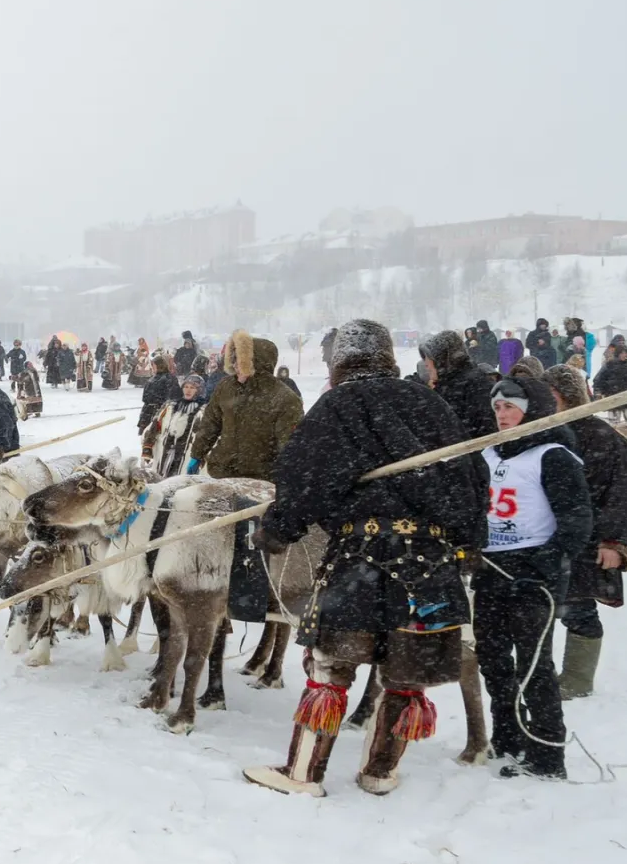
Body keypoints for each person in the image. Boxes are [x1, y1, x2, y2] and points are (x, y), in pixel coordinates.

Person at [244, 319, 489, 798]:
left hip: (363, 559)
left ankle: (303, 775)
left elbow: (306, 475)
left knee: (331, 669)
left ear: (339, 363)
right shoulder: (429, 403)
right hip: (430, 566)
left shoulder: (339, 406)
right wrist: (468, 540)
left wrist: (278, 528)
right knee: (405, 673)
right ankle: (379, 772)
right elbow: (470, 476)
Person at [475, 376, 592, 780]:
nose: (502, 415)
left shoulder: (553, 454)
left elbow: (576, 520)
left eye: (509, 406)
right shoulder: (486, 453)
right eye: (497, 409)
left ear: (533, 409)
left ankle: (546, 754)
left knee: (533, 666)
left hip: (531, 575)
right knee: (492, 661)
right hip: (490, 570)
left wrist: (545, 563)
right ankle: (508, 736)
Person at [538, 365, 627, 699]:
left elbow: (621, 495)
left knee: (578, 609)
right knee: (540, 608)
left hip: (588, 539)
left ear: (568, 397)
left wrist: (614, 540)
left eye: (552, 397)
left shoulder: (603, 438)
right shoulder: (540, 432)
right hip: (545, 537)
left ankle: (577, 680)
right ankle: (539, 674)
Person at [186, 331, 302, 480]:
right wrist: (197, 454)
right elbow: (210, 424)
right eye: (233, 360)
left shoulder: (285, 398)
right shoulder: (226, 387)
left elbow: (290, 448)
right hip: (221, 472)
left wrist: (288, 478)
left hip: (261, 480)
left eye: (240, 361)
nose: (234, 365)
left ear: (256, 363)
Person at [419, 329, 496, 441]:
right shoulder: (445, 385)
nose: (425, 363)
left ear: (442, 359)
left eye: (428, 357)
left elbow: (485, 430)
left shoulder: (475, 384)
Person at [141, 375, 206, 477]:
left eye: (192, 388)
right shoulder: (171, 406)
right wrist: (147, 447)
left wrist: (201, 456)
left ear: (199, 390)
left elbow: (207, 435)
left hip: (188, 456)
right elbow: (155, 426)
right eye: (186, 387)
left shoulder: (204, 411)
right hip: (166, 454)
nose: (188, 390)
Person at [136, 354, 177, 433]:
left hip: (160, 411)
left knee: (157, 436)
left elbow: (171, 395)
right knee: (147, 438)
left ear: (160, 365)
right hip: (148, 411)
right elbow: (145, 397)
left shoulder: (169, 378)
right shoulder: (152, 378)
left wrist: (158, 402)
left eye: (153, 365)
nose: (152, 367)